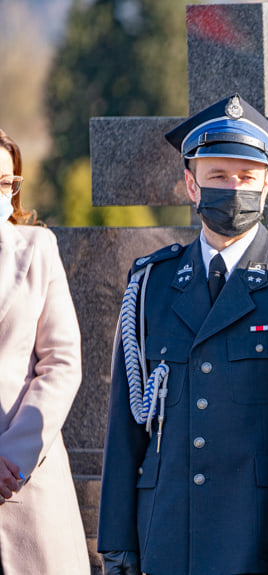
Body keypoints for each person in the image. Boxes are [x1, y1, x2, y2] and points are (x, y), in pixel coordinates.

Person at [97, 94, 268, 575]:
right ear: (191, 186)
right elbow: (125, 424)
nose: (233, 189)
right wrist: (117, 541)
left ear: (266, 184)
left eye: (246, 177)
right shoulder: (152, 284)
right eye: (217, 177)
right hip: (167, 533)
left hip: (259, 534)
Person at [0, 129, 90, 574]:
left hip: (23, 485)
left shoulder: (37, 249)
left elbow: (61, 362)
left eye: (4, 182)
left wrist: (12, 459)